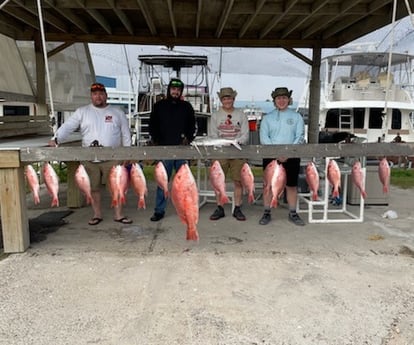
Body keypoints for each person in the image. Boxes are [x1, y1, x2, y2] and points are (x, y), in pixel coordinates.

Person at [48, 82, 132, 225]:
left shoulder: (117, 112)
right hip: (89, 158)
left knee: (116, 187)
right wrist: (55, 139)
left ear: (106, 95)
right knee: (93, 188)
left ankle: (119, 214)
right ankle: (97, 214)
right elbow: (68, 126)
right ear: (91, 96)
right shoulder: (82, 111)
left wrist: (128, 153)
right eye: (94, 94)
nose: (97, 96)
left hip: (112, 158)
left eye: (100, 93)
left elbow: (126, 134)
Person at [148, 78, 196, 221]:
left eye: (178, 89)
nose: (175, 92)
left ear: (181, 91)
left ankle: (186, 209)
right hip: (165, 149)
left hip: (182, 150)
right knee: (162, 182)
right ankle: (159, 210)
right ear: (169, 90)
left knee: (185, 184)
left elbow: (193, 126)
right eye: (173, 89)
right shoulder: (159, 106)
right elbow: (152, 125)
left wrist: (188, 138)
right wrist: (156, 140)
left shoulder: (187, 107)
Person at [259, 87, 305, 226]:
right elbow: (264, 137)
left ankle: (293, 212)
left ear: (289, 100)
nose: (281, 100)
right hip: (271, 157)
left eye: (284, 98)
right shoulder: (267, 118)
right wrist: (276, 154)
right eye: (278, 98)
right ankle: (267, 212)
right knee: (268, 185)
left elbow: (300, 136)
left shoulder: (297, 117)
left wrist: (288, 153)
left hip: (292, 156)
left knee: (291, 185)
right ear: (274, 101)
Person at [208, 87, 249, 221]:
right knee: (218, 181)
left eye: (229, 98)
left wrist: (237, 141)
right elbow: (213, 134)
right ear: (221, 100)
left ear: (233, 99)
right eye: (224, 98)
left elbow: (245, 134)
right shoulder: (215, 115)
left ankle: (237, 207)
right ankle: (219, 207)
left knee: (238, 181)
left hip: (237, 151)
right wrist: (223, 143)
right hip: (220, 151)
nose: (227, 101)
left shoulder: (241, 114)